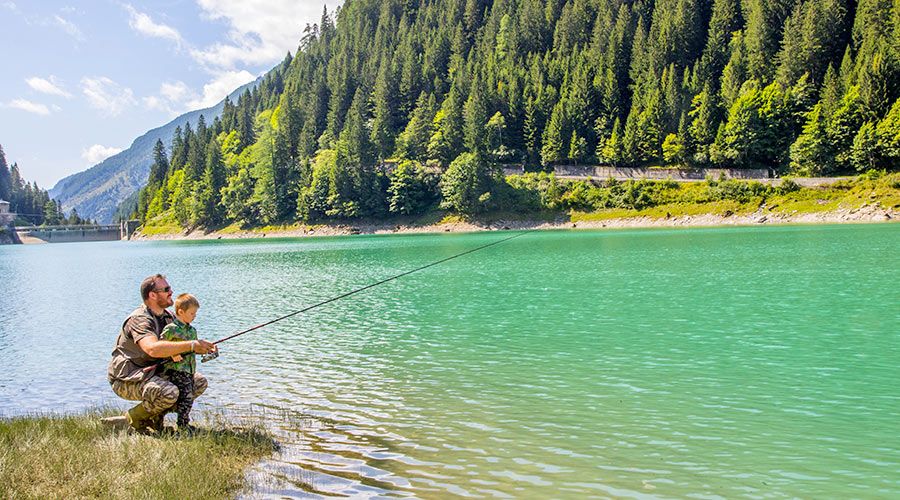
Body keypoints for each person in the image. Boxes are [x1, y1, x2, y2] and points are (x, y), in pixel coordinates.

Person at [105, 274, 217, 433]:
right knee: (169, 392)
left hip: (155, 372)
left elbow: (180, 347)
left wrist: (204, 347)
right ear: (152, 295)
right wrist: (192, 345)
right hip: (129, 378)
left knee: (198, 382)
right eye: (166, 289)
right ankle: (133, 418)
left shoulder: (169, 317)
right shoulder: (139, 319)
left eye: (169, 288)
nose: (171, 292)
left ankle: (155, 418)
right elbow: (152, 348)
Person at [158, 293, 201, 430]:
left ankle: (183, 423)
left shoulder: (192, 330)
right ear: (181, 312)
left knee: (188, 398)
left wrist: (207, 349)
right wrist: (173, 354)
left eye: (195, 313)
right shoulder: (171, 329)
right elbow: (160, 346)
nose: (194, 316)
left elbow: (195, 348)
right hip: (176, 370)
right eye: (192, 313)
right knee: (186, 397)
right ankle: (182, 425)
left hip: (189, 370)